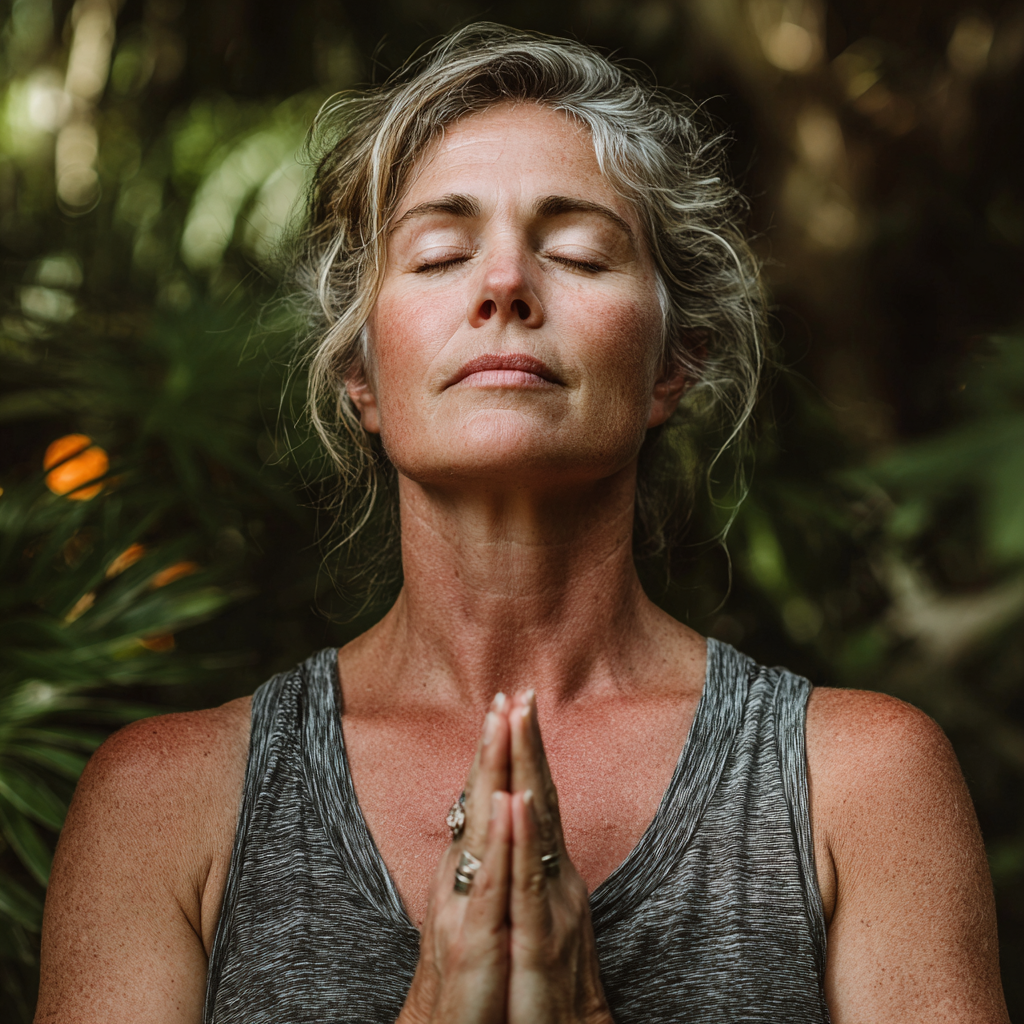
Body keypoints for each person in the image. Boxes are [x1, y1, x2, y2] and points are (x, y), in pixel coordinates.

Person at [35, 24, 1008, 1024]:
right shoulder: (164, 803)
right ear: (361, 374)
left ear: (673, 363)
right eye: (441, 254)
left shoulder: (858, 783)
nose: (504, 286)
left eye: (579, 253)